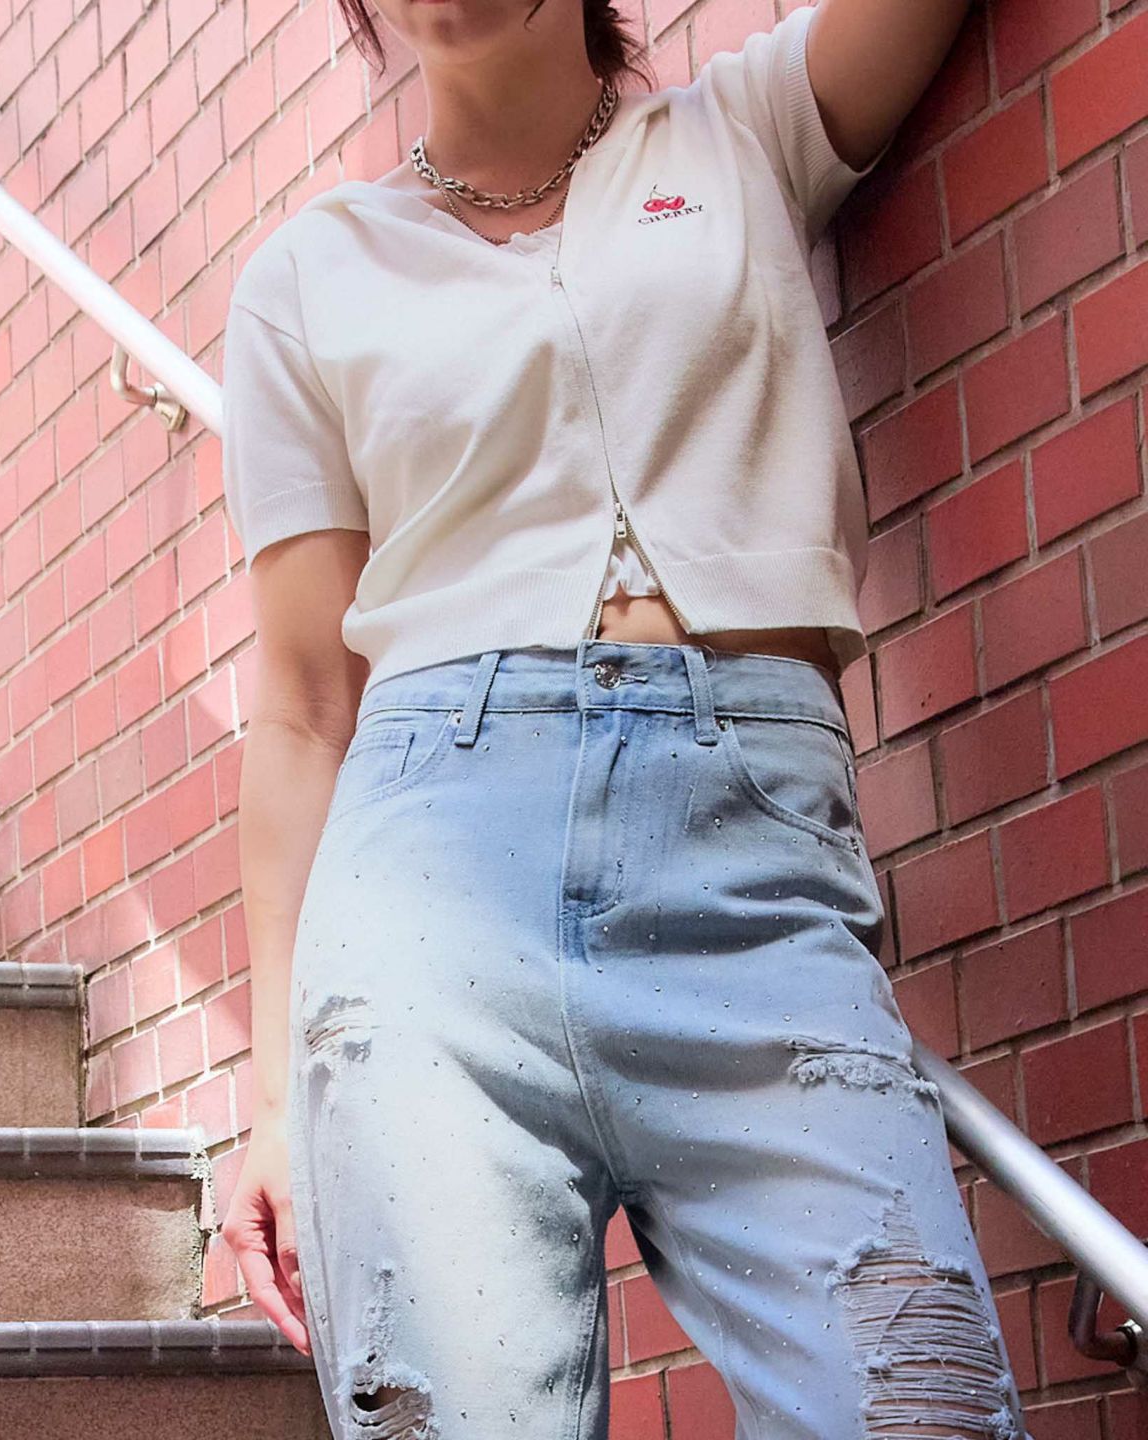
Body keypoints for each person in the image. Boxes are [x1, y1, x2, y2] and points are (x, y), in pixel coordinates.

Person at [221, 1, 1030, 1437]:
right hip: (423, 896)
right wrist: (275, 1100)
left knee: (922, 1404)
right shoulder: (305, 275)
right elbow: (297, 709)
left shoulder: (745, 133)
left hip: (751, 877)